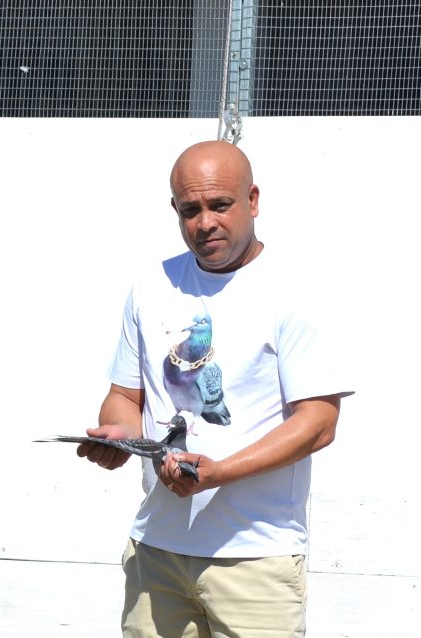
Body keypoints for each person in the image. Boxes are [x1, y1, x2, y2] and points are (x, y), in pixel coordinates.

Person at [77, 140, 354, 637]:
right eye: (190, 209)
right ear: (175, 210)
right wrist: (116, 437)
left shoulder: (295, 290)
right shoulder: (151, 285)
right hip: (157, 550)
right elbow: (126, 396)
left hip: (253, 557)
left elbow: (319, 423)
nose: (204, 222)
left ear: (252, 200)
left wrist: (220, 472)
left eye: (220, 205)